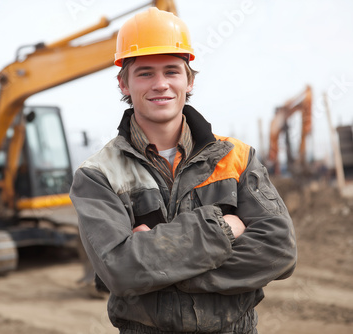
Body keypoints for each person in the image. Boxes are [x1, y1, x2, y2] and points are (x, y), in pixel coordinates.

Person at [70, 7, 297, 334]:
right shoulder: (97, 175)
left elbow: (279, 250)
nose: (160, 84)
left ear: (189, 80)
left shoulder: (237, 157)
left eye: (172, 72)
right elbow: (119, 271)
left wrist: (160, 271)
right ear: (123, 83)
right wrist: (223, 230)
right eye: (145, 73)